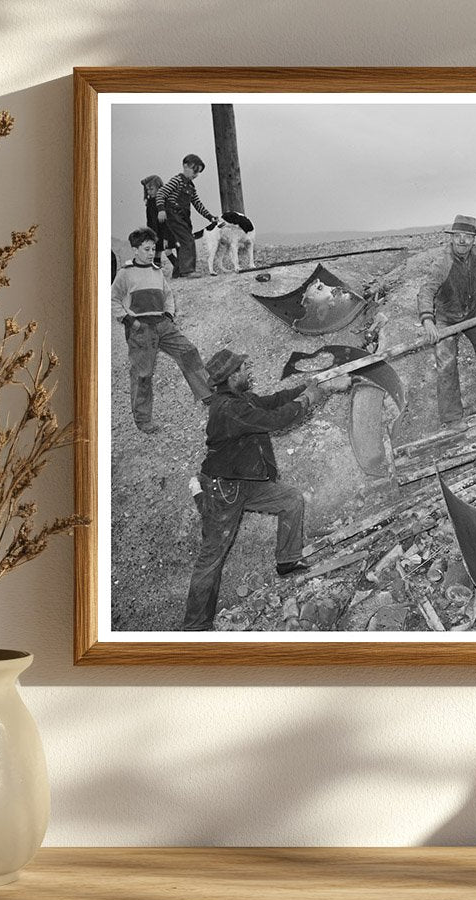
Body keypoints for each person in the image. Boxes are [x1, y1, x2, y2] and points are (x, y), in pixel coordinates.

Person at [181, 350, 350, 631]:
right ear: (233, 376)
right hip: (223, 490)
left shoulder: (239, 399)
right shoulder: (229, 410)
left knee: (291, 500)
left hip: (244, 480)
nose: (249, 371)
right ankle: (194, 627)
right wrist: (315, 395)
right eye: (244, 368)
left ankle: (286, 561)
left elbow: (273, 402)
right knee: (212, 556)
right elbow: (277, 420)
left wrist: (314, 384)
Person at [111, 227, 212, 434]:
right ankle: (143, 420)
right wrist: (129, 321)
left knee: (188, 352)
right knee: (143, 374)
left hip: (163, 325)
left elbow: (168, 296)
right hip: (141, 329)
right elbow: (112, 299)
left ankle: (208, 395)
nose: (150, 253)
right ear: (135, 249)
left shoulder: (157, 271)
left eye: (152, 249)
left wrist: (169, 315)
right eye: (146, 249)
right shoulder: (125, 273)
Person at [416, 214, 476, 427]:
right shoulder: (443, 262)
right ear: (452, 237)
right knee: (446, 364)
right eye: (458, 235)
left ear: (474, 239)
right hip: (446, 318)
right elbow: (426, 291)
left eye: (467, 236)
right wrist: (428, 321)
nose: (462, 241)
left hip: (473, 313)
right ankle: (451, 419)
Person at [155, 154, 223, 279]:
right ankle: (187, 271)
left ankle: (178, 272)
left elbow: (197, 204)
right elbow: (161, 193)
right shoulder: (177, 180)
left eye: (199, 172)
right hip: (173, 214)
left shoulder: (191, 187)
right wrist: (161, 210)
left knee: (182, 242)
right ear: (185, 166)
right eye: (194, 170)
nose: (196, 174)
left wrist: (210, 217)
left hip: (184, 217)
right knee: (188, 240)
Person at [140, 174, 176, 269]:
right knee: (157, 252)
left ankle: (178, 266)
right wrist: (149, 234)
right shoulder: (149, 203)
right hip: (155, 232)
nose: (149, 192)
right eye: (147, 189)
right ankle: (157, 270)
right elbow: (149, 220)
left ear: (159, 188)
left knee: (168, 251)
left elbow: (167, 221)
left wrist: (166, 237)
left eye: (151, 189)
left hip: (165, 230)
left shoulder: (163, 201)